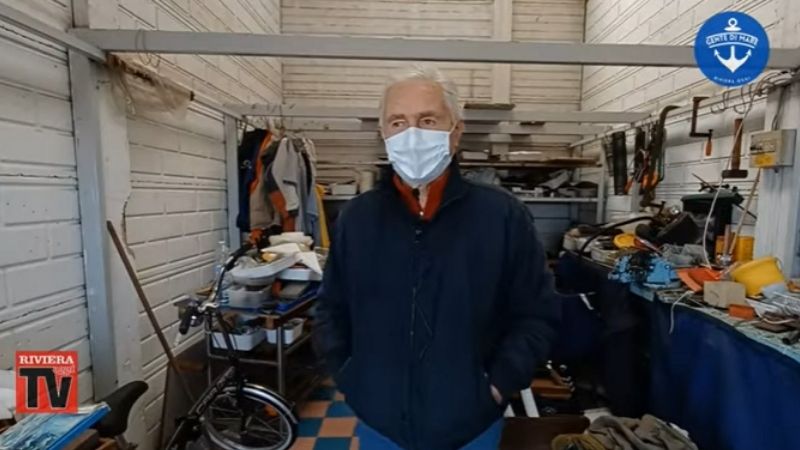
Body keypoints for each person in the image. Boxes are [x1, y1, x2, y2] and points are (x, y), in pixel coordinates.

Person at [315, 65, 561, 450]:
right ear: (383, 133)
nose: (411, 134)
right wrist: (351, 376)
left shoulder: (502, 216)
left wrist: (497, 384)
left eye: (428, 120)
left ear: (456, 131)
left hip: (471, 426)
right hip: (381, 424)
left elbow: (537, 313)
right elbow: (331, 307)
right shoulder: (357, 218)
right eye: (398, 122)